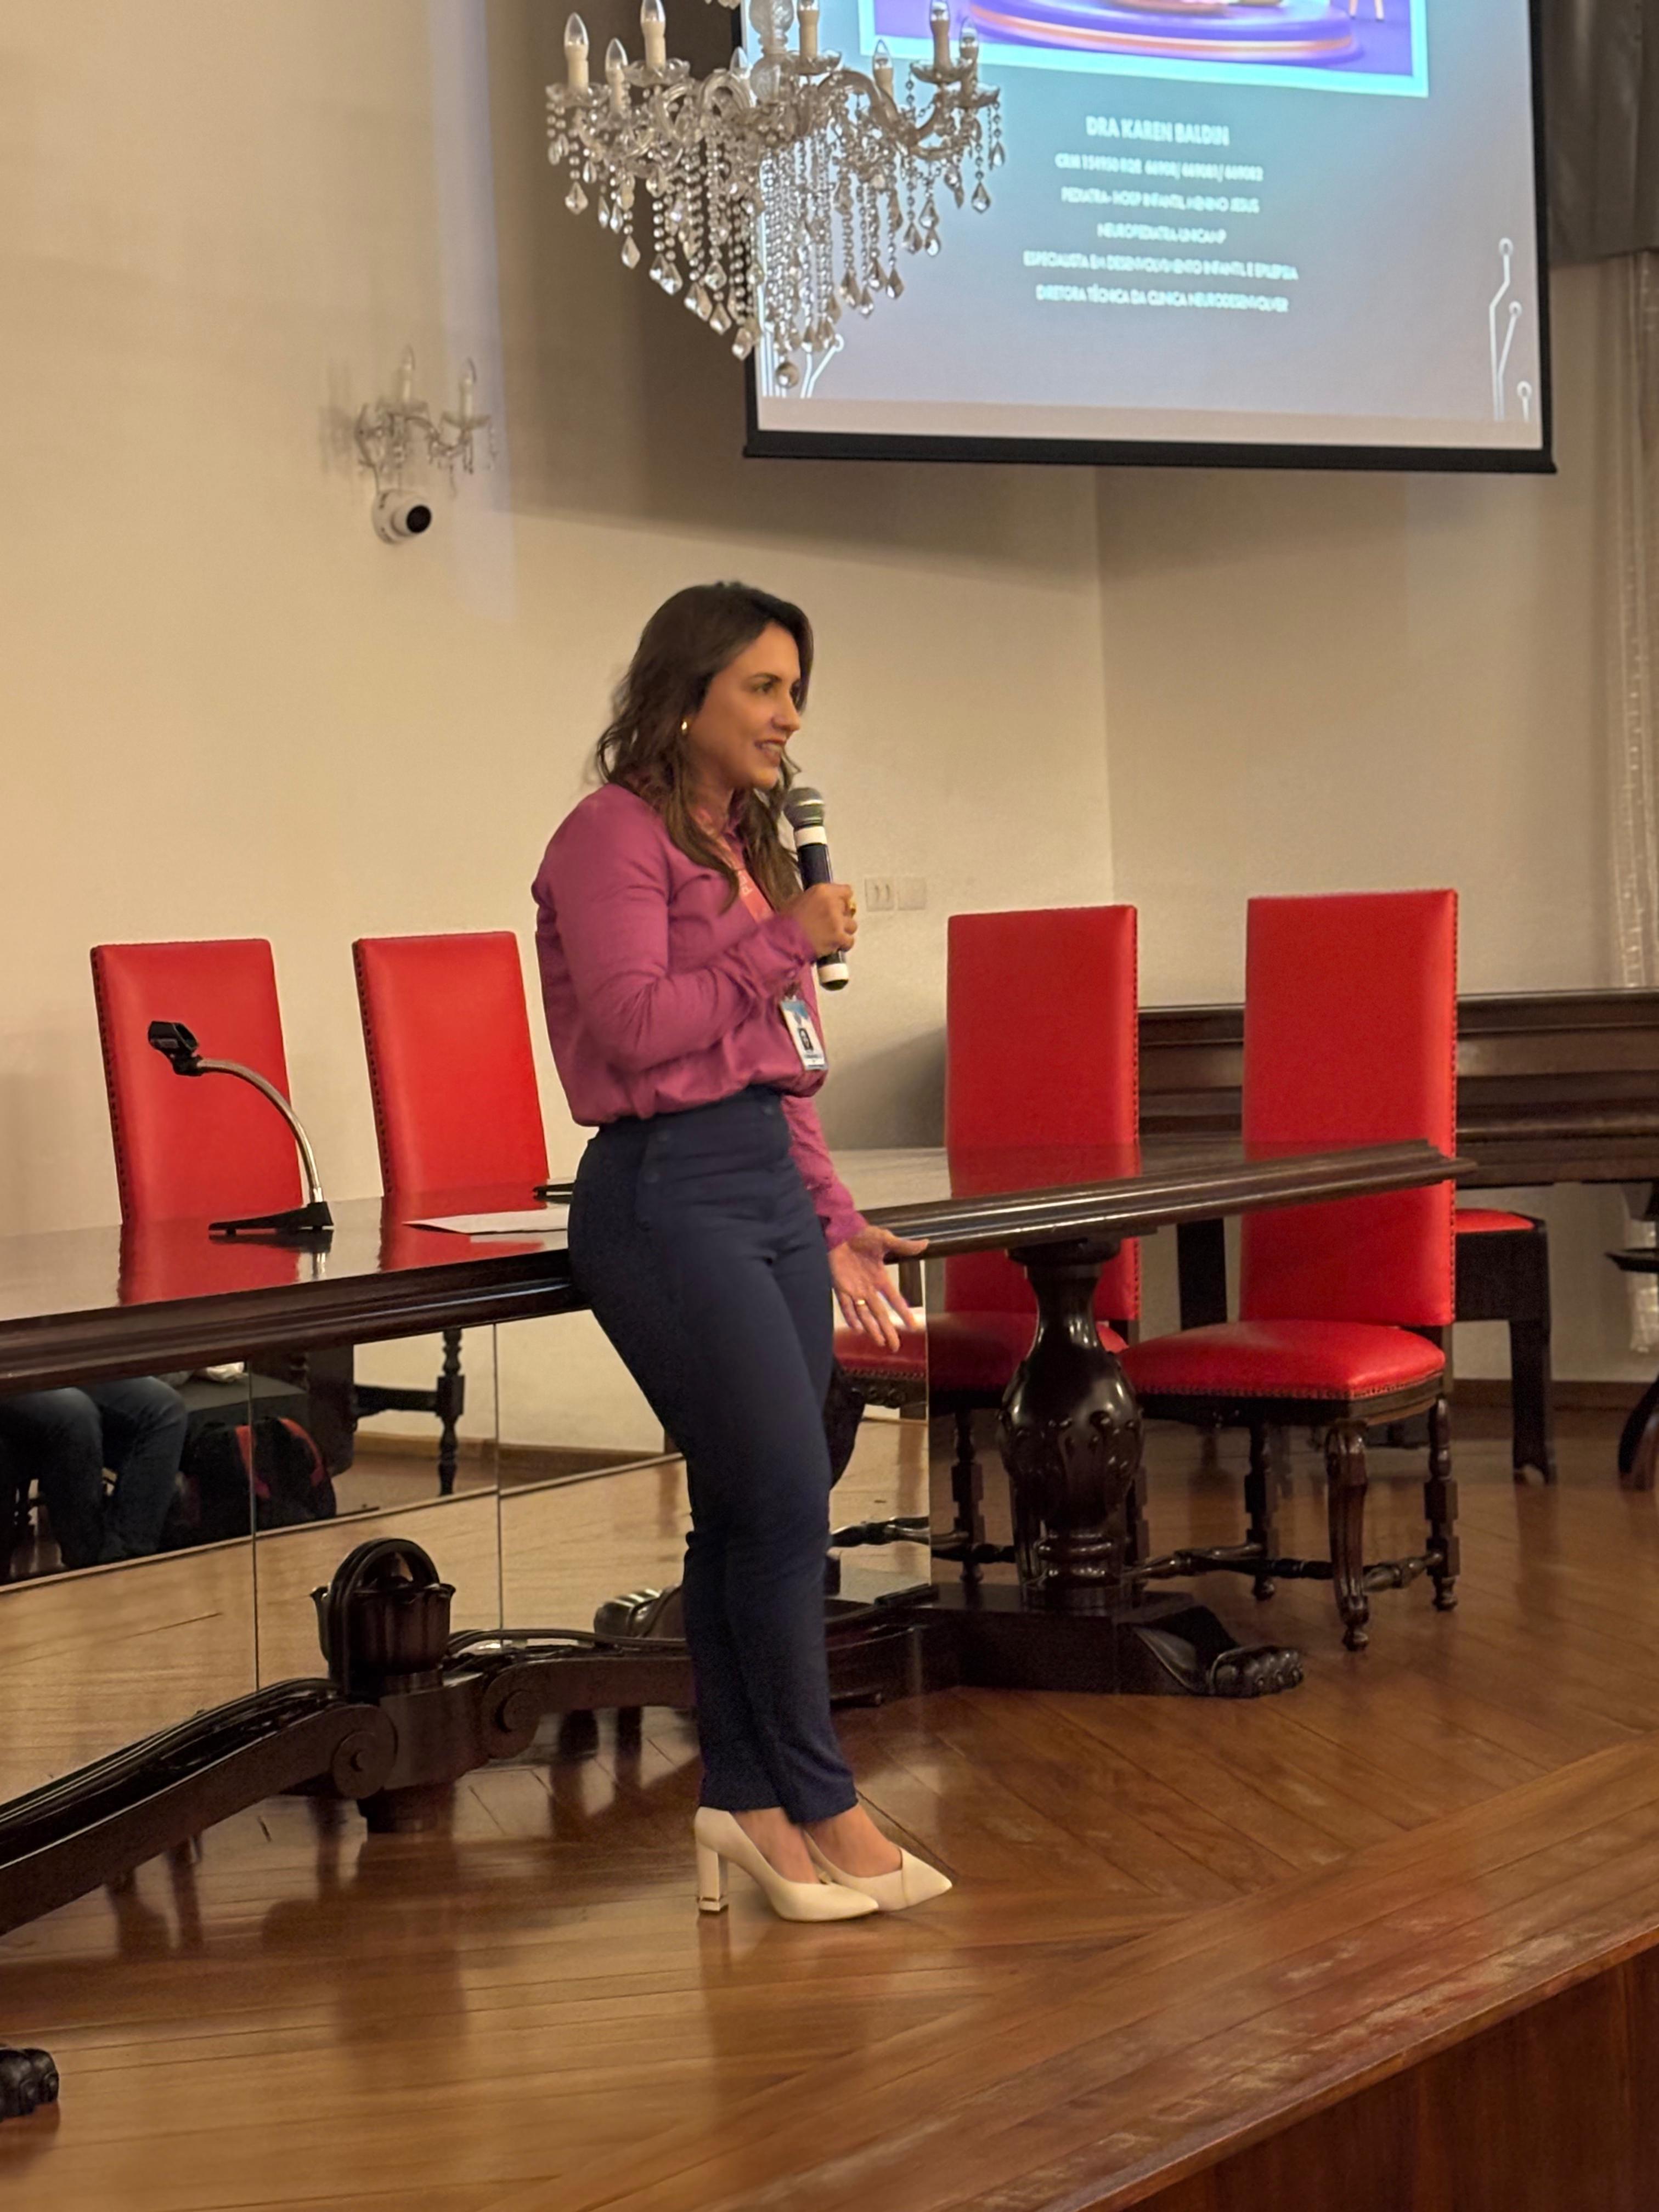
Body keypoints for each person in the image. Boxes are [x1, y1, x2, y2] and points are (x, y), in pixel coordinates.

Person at [533, 581, 952, 1922]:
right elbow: (635, 1024)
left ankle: (745, 1803)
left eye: (795, 692)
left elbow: (784, 1063)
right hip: (667, 1194)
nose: (789, 717)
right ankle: (823, 1802)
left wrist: (833, 1218)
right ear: (686, 694)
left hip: (765, 1182)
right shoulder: (610, 834)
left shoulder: (745, 848)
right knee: (780, 1503)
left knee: (752, 1507)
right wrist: (785, 940)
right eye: (764, 688)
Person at [0, 1377, 188, 1570]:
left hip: (56, 1365)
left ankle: (125, 1560)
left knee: (165, 1407)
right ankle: (88, 1565)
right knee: (75, 1413)